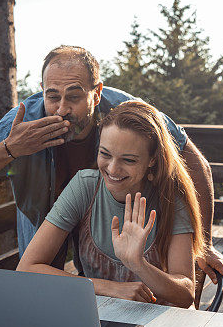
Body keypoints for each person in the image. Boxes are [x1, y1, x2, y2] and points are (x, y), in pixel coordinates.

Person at [0, 45, 223, 285]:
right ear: (41, 90)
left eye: (74, 97)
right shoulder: (23, 121)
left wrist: (203, 244)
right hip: (44, 224)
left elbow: (195, 163)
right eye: (52, 96)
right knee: (39, 295)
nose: (62, 109)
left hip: (113, 225)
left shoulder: (126, 112)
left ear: (97, 93)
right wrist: (9, 149)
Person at [17, 100, 202, 308]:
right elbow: (27, 268)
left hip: (162, 324)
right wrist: (109, 288)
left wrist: (139, 265)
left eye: (129, 160)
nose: (113, 169)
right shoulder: (85, 186)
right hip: (100, 320)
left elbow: (186, 295)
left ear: (152, 159)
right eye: (105, 154)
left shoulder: (170, 197)